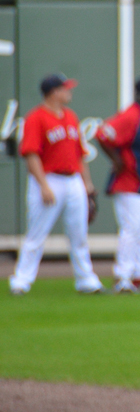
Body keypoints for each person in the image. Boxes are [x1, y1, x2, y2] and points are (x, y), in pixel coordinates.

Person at [8, 73, 105, 295]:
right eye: (65, 88)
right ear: (53, 92)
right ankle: (21, 280)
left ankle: (86, 280)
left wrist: (87, 185)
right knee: (36, 234)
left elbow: (80, 154)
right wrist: (43, 185)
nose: (69, 91)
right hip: (48, 178)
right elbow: (31, 154)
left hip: (73, 181)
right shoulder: (36, 118)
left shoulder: (70, 116)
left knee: (79, 234)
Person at [96, 75, 140, 294]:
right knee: (131, 231)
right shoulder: (132, 115)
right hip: (130, 184)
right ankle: (122, 277)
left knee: (138, 233)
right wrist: (115, 159)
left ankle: (139, 275)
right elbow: (102, 132)